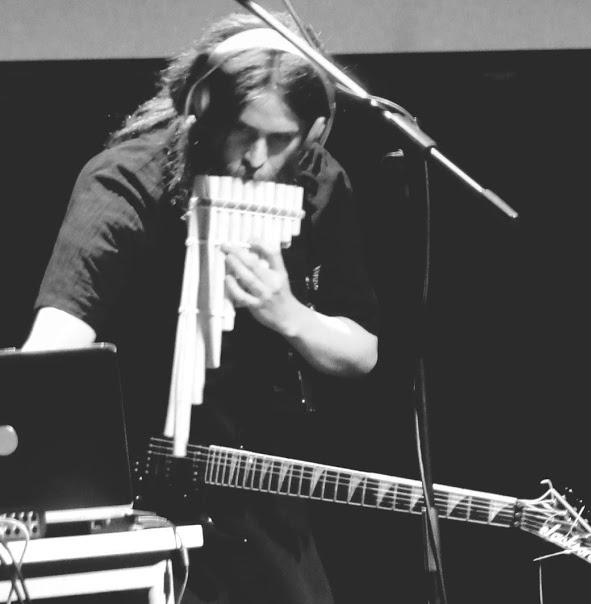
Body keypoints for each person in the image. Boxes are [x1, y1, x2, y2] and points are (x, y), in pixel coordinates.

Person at [21, 11, 379, 604]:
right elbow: (56, 345)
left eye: (281, 139)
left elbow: (362, 352)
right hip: (132, 496)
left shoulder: (319, 184)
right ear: (201, 112)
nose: (257, 159)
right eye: (243, 131)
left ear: (314, 132)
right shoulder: (128, 180)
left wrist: (289, 315)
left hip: (260, 498)